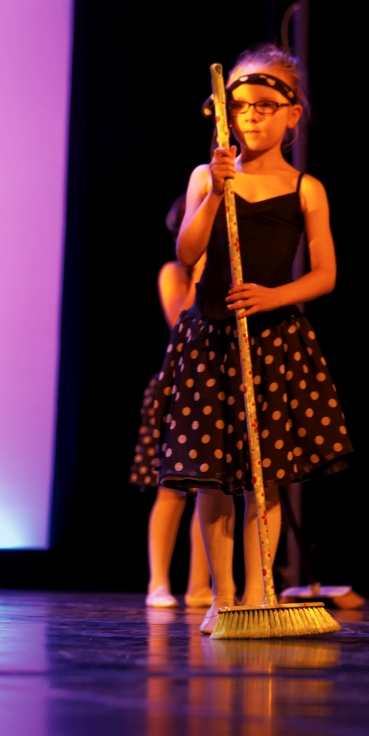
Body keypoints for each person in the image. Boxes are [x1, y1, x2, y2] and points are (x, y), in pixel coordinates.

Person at [152, 44, 353, 633]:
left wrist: (273, 296)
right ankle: (223, 595)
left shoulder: (305, 188)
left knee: (264, 475)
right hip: (211, 342)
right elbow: (186, 252)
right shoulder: (207, 177)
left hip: (271, 342)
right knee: (212, 474)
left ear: (292, 114)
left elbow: (325, 274)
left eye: (265, 105)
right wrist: (218, 192)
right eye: (239, 107)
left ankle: (261, 587)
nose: (251, 117)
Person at [129, 197, 217, 609]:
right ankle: (159, 583)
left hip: (214, 386)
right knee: (172, 490)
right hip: (176, 388)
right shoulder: (174, 273)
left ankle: (200, 586)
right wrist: (200, 270)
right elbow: (180, 320)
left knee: (210, 491)